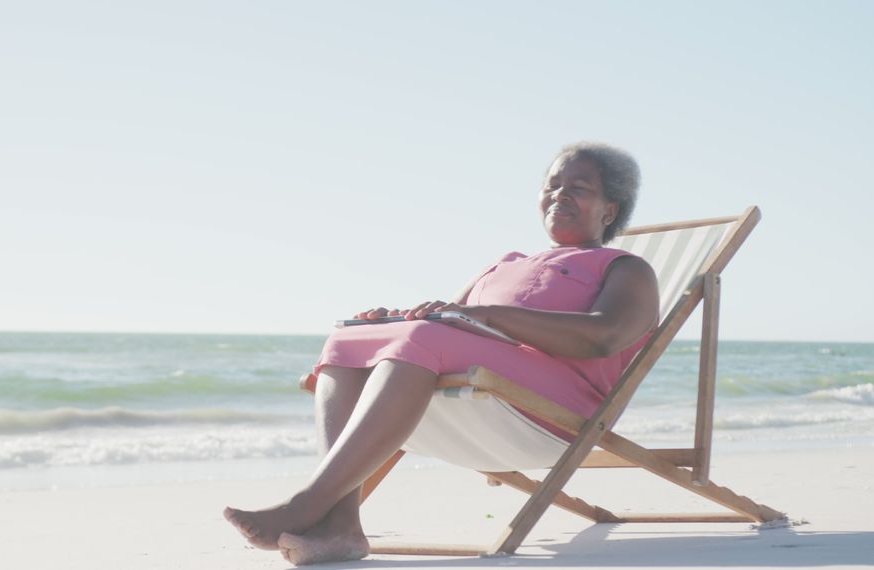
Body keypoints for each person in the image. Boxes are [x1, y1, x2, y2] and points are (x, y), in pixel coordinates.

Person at [225, 142, 660, 566]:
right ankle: (342, 523)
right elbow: (446, 326)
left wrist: (487, 315)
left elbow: (604, 336)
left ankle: (308, 503)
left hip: (558, 408)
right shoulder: (504, 263)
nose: (560, 194)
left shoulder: (624, 268)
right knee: (347, 342)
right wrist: (391, 324)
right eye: (553, 184)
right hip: (489, 393)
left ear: (609, 210)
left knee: (420, 339)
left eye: (578, 187)